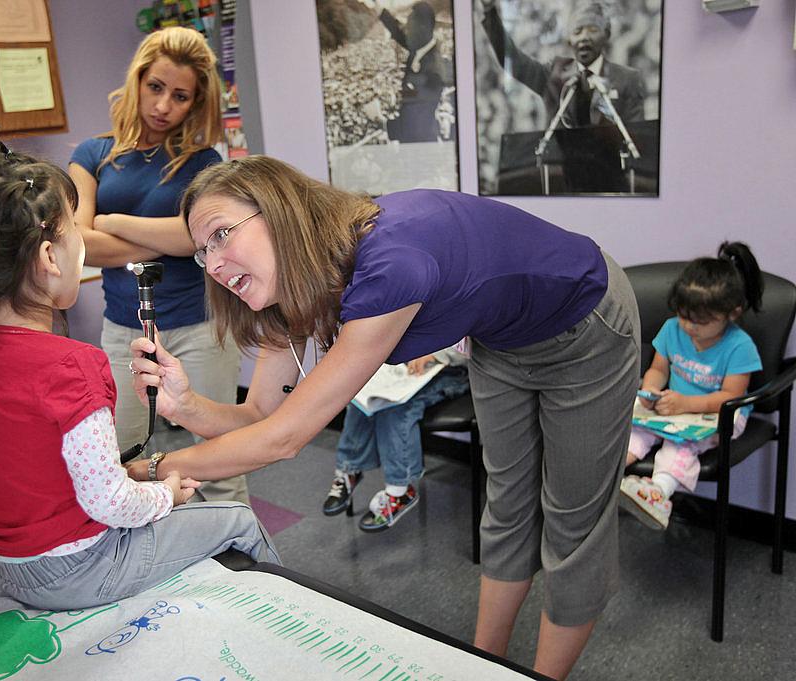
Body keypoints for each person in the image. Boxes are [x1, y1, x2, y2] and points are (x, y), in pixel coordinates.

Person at [126, 155, 639, 680]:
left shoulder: (390, 262)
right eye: (201, 253)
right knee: (508, 507)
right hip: (501, 342)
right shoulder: (295, 286)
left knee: (573, 523)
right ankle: (486, 669)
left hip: (585, 319)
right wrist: (185, 407)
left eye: (219, 236)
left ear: (278, 213)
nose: (211, 265)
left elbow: (282, 439)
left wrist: (135, 475)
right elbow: (259, 415)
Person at [0, 140, 278, 611]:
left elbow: (35, 468)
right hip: (80, 569)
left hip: (9, 565)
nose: (83, 243)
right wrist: (164, 495)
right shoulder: (72, 367)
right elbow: (109, 504)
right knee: (238, 519)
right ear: (49, 258)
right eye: (74, 231)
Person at [69, 26, 248, 503]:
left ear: (196, 102)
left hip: (199, 327)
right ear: (138, 80)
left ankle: (247, 562)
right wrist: (172, 238)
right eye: (156, 87)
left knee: (223, 460)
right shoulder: (93, 154)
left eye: (180, 95)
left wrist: (113, 220)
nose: (164, 105)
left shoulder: (203, 161)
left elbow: (197, 234)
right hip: (122, 331)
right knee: (118, 455)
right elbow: (80, 244)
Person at [621, 242, 763, 531]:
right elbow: (659, 369)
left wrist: (685, 404)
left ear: (732, 313)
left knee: (680, 445)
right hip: (673, 408)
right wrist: (651, 391)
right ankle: (610, 479)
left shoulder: (739, 346)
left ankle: (658, 493)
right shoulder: (672, 328)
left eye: (700, 321)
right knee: (633, 431)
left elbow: (732, 396)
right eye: (684, 316)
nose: (689, 327)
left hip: (717, 414)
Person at [324, 346, 469, 532]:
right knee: (361, 393)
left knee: (397, 408)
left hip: (451, 369)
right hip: (407, 360)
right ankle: (349, 469)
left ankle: (400, 491)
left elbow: (472, 338)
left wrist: (436, 353)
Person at [480, 0, 645, 130]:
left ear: (606, 34)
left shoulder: (627, 79)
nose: (584, 37)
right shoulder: (555, 74)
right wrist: (489, 11)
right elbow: (513, 61)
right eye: (577, 31)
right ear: (569, 40)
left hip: (611, 168)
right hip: (560, 170)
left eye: (593, 30)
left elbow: (637, 138)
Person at [363, 0, 454, 143]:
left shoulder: (433, 71)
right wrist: (379, 10)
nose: (406, 29)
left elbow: (414, 125)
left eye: (409, 26)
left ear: (422, 28)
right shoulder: (421, 47)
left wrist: (379, 119)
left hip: (420, 146)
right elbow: (399, 32)